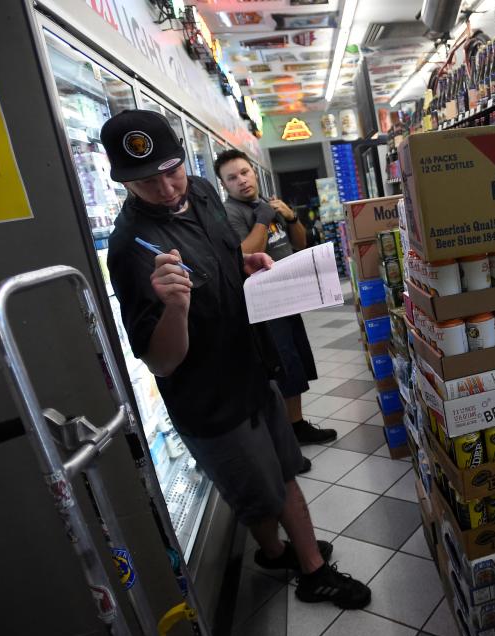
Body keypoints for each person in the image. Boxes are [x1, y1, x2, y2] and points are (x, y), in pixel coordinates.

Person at [101, 110, 370, 609]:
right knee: (259, 493)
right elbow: (161, 362)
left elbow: (224, 254)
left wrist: (243, 264)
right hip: (208, 399)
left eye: (171, 168)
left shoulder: (202, 192)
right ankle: (297, 563)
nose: (164, 186)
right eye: (145, 179)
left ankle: (299, 561)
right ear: (123, 180)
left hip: (252, 366)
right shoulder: (129, 249)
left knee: (284, 470)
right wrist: (175, 307)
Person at [213, 150, 335, 446]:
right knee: (281, 367)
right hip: (265, 305)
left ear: (254, 172)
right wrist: (262, 219)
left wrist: (291, 217)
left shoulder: (267, 204)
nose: (241, 181)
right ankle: (285, 434)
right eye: (232, 178)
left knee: (295, 362)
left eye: (244, 172)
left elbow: (300, 242)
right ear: (224, 185)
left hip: (289, 297)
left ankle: (296, 425)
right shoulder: (232, 213)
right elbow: (244, 254)